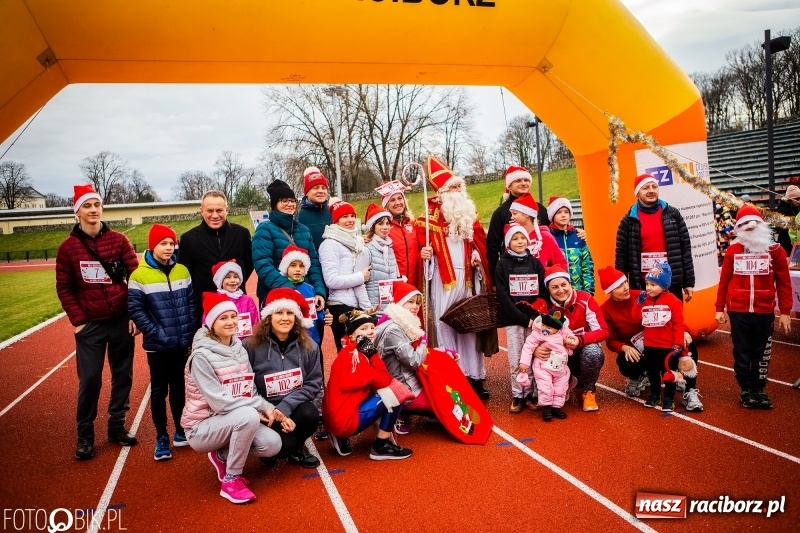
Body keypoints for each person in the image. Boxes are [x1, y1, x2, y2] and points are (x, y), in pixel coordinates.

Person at [56, 184, 140, 461]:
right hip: (90, 325)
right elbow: (65, 287)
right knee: (90, 379)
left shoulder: (118, 240)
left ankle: (116, 425)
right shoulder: (68, 248)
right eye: (87, 206)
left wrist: (133, 314)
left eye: (97, 205)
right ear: (77, 211)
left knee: (123, 375)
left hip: (120, 320)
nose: (93, 210)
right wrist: (79, 321)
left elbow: (136, 279)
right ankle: (85, 434)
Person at [181, 293, 283, 504]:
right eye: (223, 318)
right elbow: (220, 403)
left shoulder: (239, 348)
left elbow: (249, 390)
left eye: (233, 317)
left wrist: (268, 408)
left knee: (272, 444)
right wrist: (257, 409)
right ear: (210, 323)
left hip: (233, 418)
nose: (230, 322)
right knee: (248, 417)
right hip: (202, 426)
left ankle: (222, 456)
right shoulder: (200, 357)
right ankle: (231, 480)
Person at [415, 156, 492, 399]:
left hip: (468, 278)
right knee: (444, 324)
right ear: (442, 192)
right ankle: (452, 376)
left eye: (460, 186)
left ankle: (474, 377)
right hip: (441, 279)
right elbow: (422, 252)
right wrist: (425, 255)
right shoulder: (427, 220)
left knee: (470, 325)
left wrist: (478, 257)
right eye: (453, 187)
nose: (459, 191)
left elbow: (479, 242)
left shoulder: (469, 216)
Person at [128, 224, 196, 461]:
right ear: (152, 246)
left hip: (181, 343)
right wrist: (156, 333)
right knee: (159, 390)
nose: (168, 248)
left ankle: (179, 429)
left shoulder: (183, 271)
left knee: (179, 388)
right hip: (157, 346)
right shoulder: (139, 275)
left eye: (171, 243)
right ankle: (161, 436)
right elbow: (136, 310)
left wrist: (187, 333)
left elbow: (190, 304)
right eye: (163, 244)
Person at [715, 204, 793, 409]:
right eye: (746, 227)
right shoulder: (733, 250)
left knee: (761, 352)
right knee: (742, 352)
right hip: (738, 311)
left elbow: (784, 282)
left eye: (754, 226)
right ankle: (746, 390)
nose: (750, 230)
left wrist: (785, 311)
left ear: (761, 225)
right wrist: (718, 308)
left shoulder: (775, 251)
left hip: (764, 311)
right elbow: (724, 281)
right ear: (739, 228)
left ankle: (759, 389)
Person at [597, 266, 703, 411]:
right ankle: (643, 377)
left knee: (689, 345)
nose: (626, 287)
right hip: (640, 347)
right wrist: (624, 347)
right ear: (609, 292)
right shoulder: (605, 309)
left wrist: (685, 331)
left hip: (663, 340)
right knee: (626, 362)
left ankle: (690, 390)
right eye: (619, 286)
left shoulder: (644, 294)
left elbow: (673, 315)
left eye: (625, 283)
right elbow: (610, 339)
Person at [322, 309, 414, 460]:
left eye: (372, 327)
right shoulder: (356, 357)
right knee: (396, 392)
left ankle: (339, 436)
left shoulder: (347, 351)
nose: (370, 331)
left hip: (334, 417)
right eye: (363, 329)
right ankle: (381, 446)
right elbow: (384, 381)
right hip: (345, 422)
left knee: (377, 392)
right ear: (352, 335)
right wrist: (374, 355)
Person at [246, 288, 322, 468]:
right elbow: (247, 384)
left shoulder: (309, 346)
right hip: (264, 411)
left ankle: (297, 448)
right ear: (268, 317)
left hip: (293, 406)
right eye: (279, 312)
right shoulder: (249, 346)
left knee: (311, 414)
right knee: (283, 447)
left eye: (290, 313)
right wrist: (266, 409)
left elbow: (314, 382)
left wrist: (286, 406)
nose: (285, 318)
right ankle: (283, 446)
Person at [535, 266, 608, 412]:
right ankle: (564, 384)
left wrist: (580, 339)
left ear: (570, 284)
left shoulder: (585, 299)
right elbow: (534, 334)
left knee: (593, 352)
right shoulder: (543, 306)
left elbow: (603, 331)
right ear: (548, 288)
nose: (560, 290)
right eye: (554, 287)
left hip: (581, 352)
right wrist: (536, 349)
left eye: (564, 285)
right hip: (557, 354)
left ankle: (588, 391)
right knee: (541, 352)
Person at [494, 223, 548, 414]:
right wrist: (522, 318)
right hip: (514, 320)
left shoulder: (535, 263)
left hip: (534, 320)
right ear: (509, 242)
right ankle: (518, 394)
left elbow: (543, 292)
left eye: (522, 238)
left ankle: (532, 394)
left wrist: (534, 315)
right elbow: (503, 296)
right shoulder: (502, 264)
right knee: (517, 359)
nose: (519, 242)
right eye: (515, 239)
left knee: (534, 356)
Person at [615, 174, 695, 301]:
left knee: (674, 319)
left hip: (670, 282)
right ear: (637, 193)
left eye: (654, 186)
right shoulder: (628, 220)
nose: (651, 190)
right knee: (645, 319)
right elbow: (621, 257)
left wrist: (688, 282)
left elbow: (685, 249)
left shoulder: (673, 214)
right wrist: (619, 286)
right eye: (646, 188)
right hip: (643, 284)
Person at [178, 190, 253, 326]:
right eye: (209, 211)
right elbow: (185, 273)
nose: (215, 215)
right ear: (201, 211)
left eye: (219, 210)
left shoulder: (242, 234)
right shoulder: (188, 239)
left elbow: (248, 264)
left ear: (227, 210)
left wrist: (232, 283)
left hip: (237, 305)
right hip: (205, 307)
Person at [252, 179, 326, 312]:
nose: (289, 204)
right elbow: (263, 265)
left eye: (292, 201)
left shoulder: (303, 230)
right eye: (284, 201)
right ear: (275, 204)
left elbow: (314, 263)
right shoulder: (265, 229)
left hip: (305, 293)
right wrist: (290, 290)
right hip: (275, 296)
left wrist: (320, 291)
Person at [374, 281, 434, 434]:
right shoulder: (394, 329)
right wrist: (424, 343)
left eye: (418, 303)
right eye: (411, 302)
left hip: (399, 378)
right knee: (441, 402)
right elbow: (413, 361)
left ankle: (402, 411)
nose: (416, 307)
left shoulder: (400, 322)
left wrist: (446, 351)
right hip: (401, 384)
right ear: (400, 303)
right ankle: (399, 413)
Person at [634, 263, 693, 412]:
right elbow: (636, 318)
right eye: (647, 284)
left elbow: (679, 324)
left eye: (652, 285)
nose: (648, 288)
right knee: (653, 372)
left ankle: (669, 398)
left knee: (669, 373)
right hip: (650, 345)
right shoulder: (645, 300)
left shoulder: (674, 301)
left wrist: (678, 343)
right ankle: (654, 394)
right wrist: (638, 303)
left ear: (664, 285)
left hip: (668, 346)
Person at [319, 200, 372, 351]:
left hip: (357, 303)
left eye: (352, 216)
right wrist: (361, 277)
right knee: (347, 353)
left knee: (364, 352)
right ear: (336, 220)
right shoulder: (329, 244)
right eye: (344, 217)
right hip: (340, 305)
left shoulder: (355, 241)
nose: (350, 220)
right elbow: (331, 280)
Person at [486, 165, 549, 284]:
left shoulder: (540, 209)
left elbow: (554, 233)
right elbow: (492, 248)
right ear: (509, 185)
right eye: (518, 180)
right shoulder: (501, 213)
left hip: (541, 270)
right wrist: (495, 280)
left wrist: (577, 232)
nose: (523, 183)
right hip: (512, 272)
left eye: (526, 180)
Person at [519, 309, 575, 421]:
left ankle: (556, 407)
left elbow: (571, 337)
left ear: (558, 329)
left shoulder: (563, 334)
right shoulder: (538, 334)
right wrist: (524, 363)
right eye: (543, 325)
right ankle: (546, 408)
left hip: (560, 368)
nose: (545, 329)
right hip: (542, 367)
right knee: (545, 388)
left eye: (549, 328)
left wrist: (571, 341)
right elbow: (528, 347)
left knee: (560, 388)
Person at [277, 245, 328, 345]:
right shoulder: (280, 290)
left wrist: (325, 317)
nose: (298, 269)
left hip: (312, 339)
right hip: (290, 342)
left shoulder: (310, 289)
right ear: (285, 267)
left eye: (301, 266)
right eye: (293, 265)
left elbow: (317, 312)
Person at [379, 181, 423, 290]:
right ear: (386, 205)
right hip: (395, 285)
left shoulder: (414, 224)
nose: (397, 202)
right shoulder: (383, 227)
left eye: (400, 198)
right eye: (392, 200)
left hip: (415, 284)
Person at [548, 196, 595, 294]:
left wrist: (588, 292)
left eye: (566, 212)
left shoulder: (578, 236)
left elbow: (587, 266)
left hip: (578, 292)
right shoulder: (548, 237)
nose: (563, 215)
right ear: (552, 215)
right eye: (559, 212)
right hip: (556, 294)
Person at [508, 192, 567, 269]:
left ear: (526, 214)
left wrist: (547, 273)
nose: (512, 217)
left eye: (514, 213)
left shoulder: (545, 237)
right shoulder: (512, 237)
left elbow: (561, 263)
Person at [363, 202, 401, 311]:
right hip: (373, 308)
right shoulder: (366, 249)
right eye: (380, 224)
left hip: (390, 308)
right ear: (372, 226)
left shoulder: (389, 248)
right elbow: (359, 283)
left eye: (387, 224)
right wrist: (367, 308)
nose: (385, 227)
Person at [209, 260, 259, 340]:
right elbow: (208, 327)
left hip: (245, 346)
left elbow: (255, 324)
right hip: (222, 345)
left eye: (236, 277)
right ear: (220, 281)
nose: (232, 280)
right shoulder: (213, 301)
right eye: (228, 277)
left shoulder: (248, 300)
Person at [296, 167, 333, 254]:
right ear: (307, 192)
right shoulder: (300, 218)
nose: (320, 191)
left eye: (324, 188)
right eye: (315, 188)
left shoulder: (332, 211)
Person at [775, 184, 800, 256]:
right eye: (797, 199)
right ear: (790, 199)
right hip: (786, 240)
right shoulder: (783, 209)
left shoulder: (795, 207)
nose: (799, 201)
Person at [713, 201, 735, 266]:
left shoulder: (713, 213)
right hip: (725, 242)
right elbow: (728, 229)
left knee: (719, 263)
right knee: (728, 262)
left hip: (717, 243)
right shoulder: (725, 212)